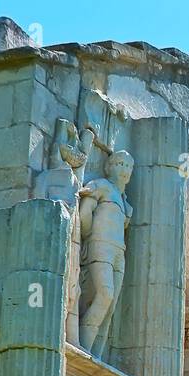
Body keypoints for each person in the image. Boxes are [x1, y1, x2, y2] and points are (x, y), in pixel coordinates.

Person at [78, 149, 134, 358]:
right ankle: (83, 346)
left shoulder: (126, 204)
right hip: (100, 244)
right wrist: (89, 237)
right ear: (109, 166)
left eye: (128, 166)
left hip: (119, 251)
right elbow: (85, 213)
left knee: (110, 307)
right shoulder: (101, 186)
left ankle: (97, 355)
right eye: (120, 163)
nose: (124, 169)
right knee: (105, 294)